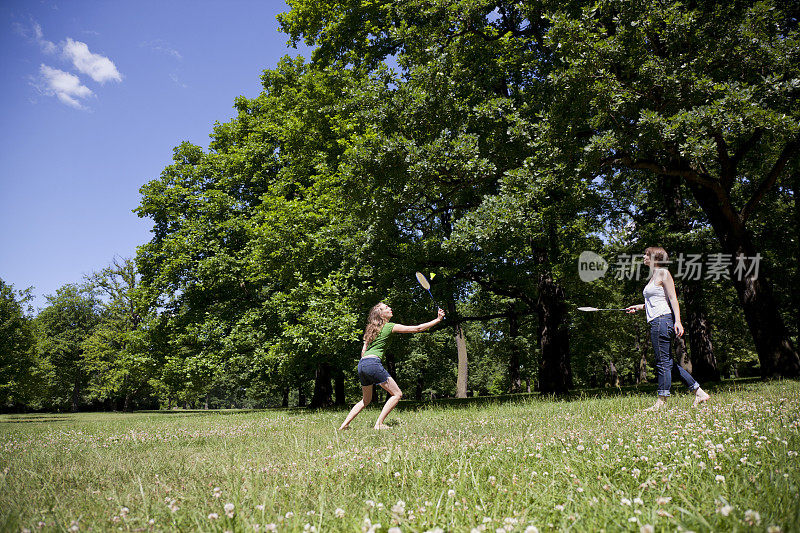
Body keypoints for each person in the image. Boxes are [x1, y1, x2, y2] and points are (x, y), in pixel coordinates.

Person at [625, 247, 710, 411]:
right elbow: (656, 301)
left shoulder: (663, 273)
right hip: (658, 320)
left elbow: (673, 298)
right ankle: (699, 393)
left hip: (662, 321)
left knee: (662, 362)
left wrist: (678, 321)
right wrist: (639, 307)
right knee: (668, 363)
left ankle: (661, 402)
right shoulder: (653, 277)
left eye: (646, 255)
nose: (643, 257)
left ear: (654, 258)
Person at [339, 302, 445, 430]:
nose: (390, 308)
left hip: (362, 364)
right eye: (386, 308)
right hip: (373, 363)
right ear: (381, 315)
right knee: (397, 394)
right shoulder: (389, 326)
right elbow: (417, 328)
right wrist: (438, 320)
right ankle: (379, 424)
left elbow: (363, 350)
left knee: (365, 400)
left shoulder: (371, 330)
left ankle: (344, 425)